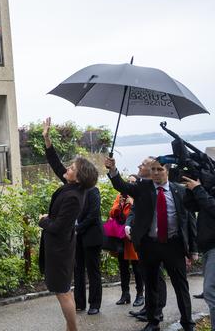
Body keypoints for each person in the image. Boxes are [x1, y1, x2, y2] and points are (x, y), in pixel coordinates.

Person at [106, 156, 198, 331]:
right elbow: (121, 186)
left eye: (160, 169)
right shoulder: (143, 188)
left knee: (181, 286)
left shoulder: (180, 191)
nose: (155, 173)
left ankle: (188, 323)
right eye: (153, 169)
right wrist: (113, 170)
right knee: (151, 285)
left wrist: (193, 250)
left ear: (167, 171)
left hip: (174, 245)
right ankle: (153, 321)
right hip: (150, 245)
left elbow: (189, 222)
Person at [39, 117, 99, 331]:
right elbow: (56, 165)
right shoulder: (74, 187)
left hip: (60, 249)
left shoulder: (75, 196)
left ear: (79, 177)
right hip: (60, 248)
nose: (68, 168)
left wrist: (43, 221)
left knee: (62, 291)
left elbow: (58, 227)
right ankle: (70, 327)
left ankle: (73, 329)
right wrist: (47, 139)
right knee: (65, 290)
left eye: (72, 167)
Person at [125, 158, 167, 322]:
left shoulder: (159, 189)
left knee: (158, 276)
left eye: (142, 164)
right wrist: (129, 225)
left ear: (152, 169)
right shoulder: (142, 187)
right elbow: (134, 210)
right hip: (142, 239)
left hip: (157, 239)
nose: (139, 166)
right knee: (148, 276)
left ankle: (158, 309)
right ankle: (148, 308)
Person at [183, 175, 215, 330]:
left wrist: (198, 189)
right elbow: (190, 205)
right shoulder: (209, 188)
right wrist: (192, 187)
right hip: (208, 248)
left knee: (211, 292)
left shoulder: (204, 191)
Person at [109, 175, 144, 307]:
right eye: (128, 181)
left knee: (137, 268)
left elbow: (139, 215)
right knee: (123, 267)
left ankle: (140, 295)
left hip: (133, 238)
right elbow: (112, 213)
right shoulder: (120, 196)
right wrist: (120, 204)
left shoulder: (139, 196)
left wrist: (132, 203)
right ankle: (125, 294)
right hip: (121, 238)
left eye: (132, 182)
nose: (129, 183)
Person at [73, 183, 103, 315]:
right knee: (77, 270)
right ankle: (79, 303)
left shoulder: (92, 190)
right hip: (77, 238)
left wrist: (77, 228)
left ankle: (95, 303)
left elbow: (93, 214)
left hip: (91, 236)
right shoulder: (74, 191)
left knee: (93, 271)